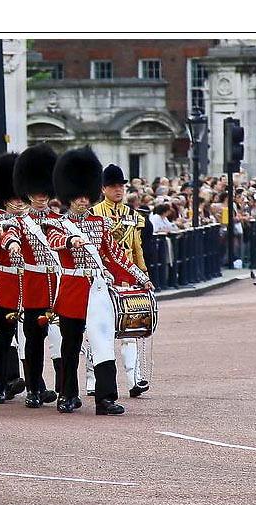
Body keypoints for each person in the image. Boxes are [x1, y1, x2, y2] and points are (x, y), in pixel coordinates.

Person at [47, 147, 153, 415]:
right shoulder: (57, 224)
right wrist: (71, 241)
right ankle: (67, 394)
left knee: (103, 342)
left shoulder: (100, 223)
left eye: (85, 196)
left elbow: (117, 257)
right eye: (77, 197)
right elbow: (55, 243)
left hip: (96, 289)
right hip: (72, 288)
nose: (82, 201)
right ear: (68, 197)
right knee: (70, 345)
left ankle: (105, 398)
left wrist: (142, 279)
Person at [1, 144, 63, 409]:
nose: (40, 196)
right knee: (34, 341)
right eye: (35, 192)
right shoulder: (19, 220)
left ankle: (65, 388)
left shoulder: (61, 219)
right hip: (35, 285)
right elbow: (8, 233)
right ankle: (34, 387)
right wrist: (12, 244)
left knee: (62, 341)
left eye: (44, 192)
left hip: (59, 287)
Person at [88, 163, 150, 398]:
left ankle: (134, 379)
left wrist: (142, 274)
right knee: (98, 329)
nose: (118, 190)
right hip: (103, 275)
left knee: (131, 327)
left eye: (121, 186)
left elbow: (137, 247)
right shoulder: (94, 214)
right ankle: (92, 379)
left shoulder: (133, 216)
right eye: (113, 186)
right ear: (104, 188)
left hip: (128, 273)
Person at [0, 152, 28, 404]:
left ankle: (33, 383)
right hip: (5, 282)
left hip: (31, 285)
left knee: (30, 337)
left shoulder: (32, 220)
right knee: (3, 337)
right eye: (13, 197)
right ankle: (1, 383)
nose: (18, 202)